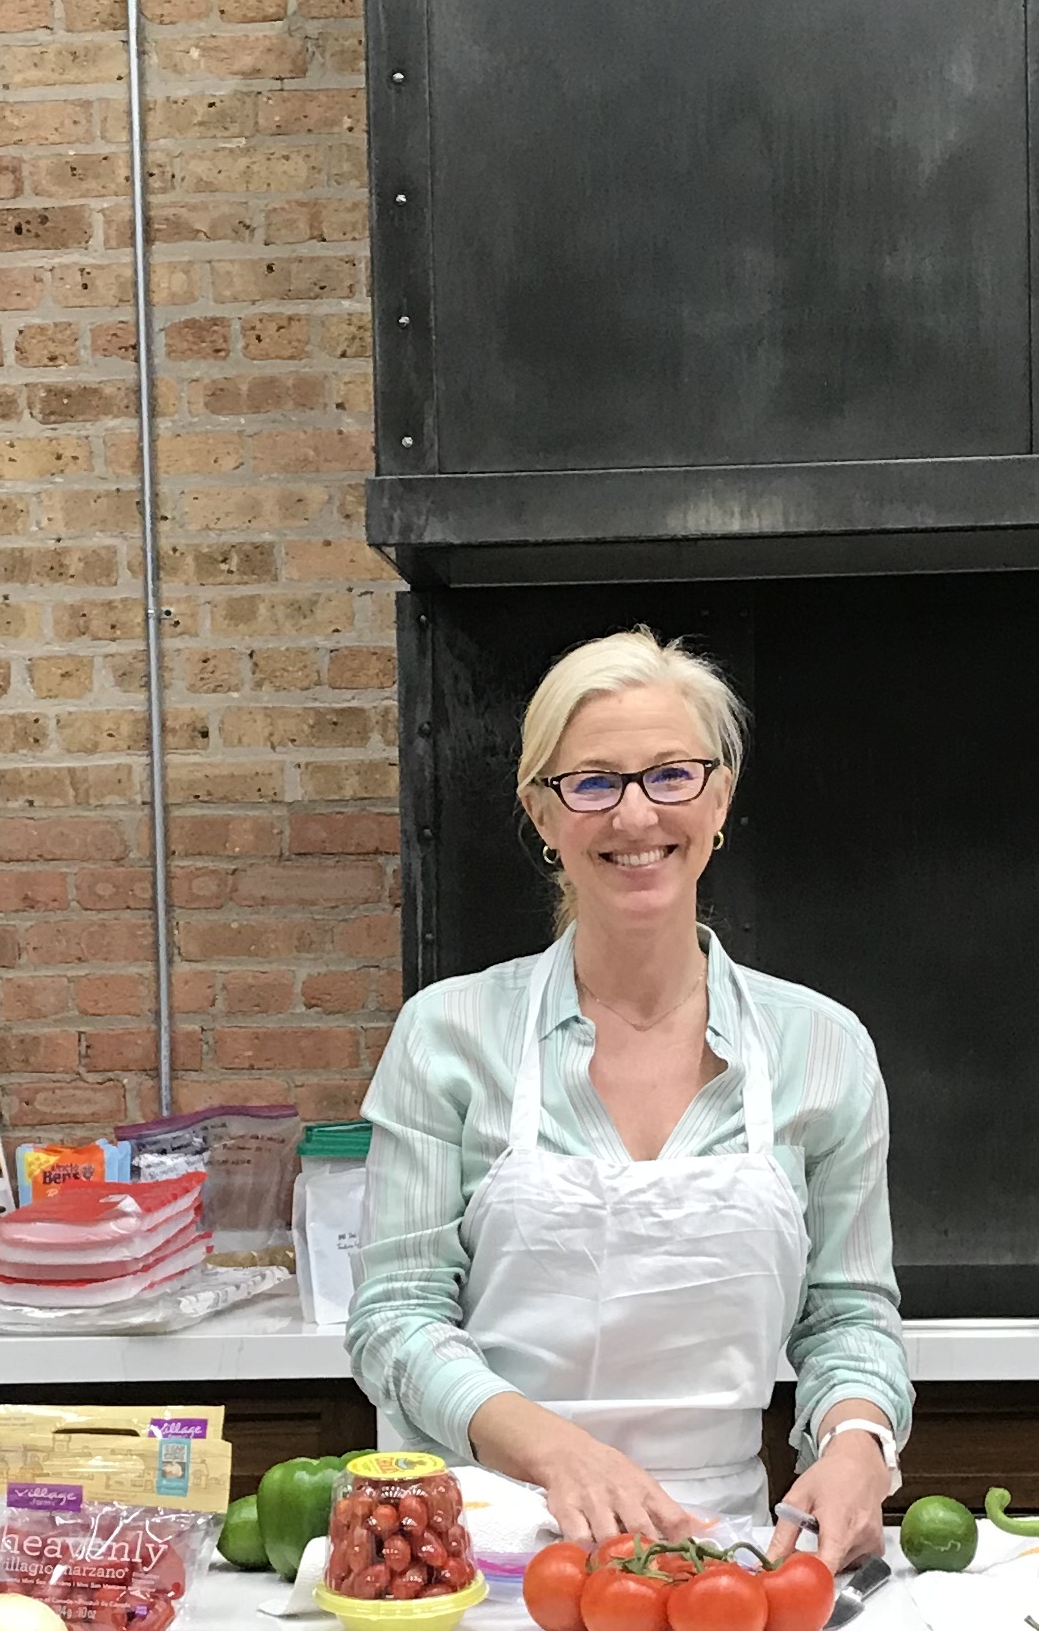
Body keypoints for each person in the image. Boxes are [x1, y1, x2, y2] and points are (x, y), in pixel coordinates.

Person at [347, 627, 911, 1571]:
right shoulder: (447, 1035)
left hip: (726, 1560)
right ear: (542, 812)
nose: (637, 815)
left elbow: (848, 1315)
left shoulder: (823, 1048)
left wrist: (858, 1440)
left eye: (671, 776)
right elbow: (395, 1318)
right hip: (482, 1557)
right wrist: (557, 1452)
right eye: (595, 782)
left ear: (719, 796)